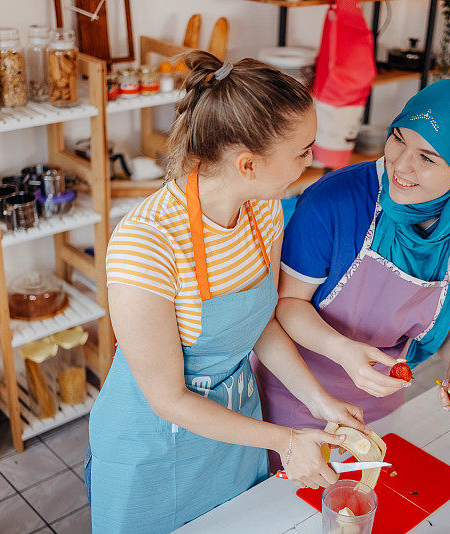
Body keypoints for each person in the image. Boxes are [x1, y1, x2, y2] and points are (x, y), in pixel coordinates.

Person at [87, 51, 368, 534]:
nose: (312, 161)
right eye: (302, 152)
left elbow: (260, 323)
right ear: (248, 164)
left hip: (233, 429)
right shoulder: (146, 243)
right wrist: (285, 440)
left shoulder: (263, 210)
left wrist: (320, 403)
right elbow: (168, 398)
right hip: (153, 448)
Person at [256, 79, 450, 468]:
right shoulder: (335, 199)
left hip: (383, 403)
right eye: (399, 139)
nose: (401, 164)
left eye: (428, 158)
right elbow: (287, 304)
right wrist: (343, 353)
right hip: (296, 394)